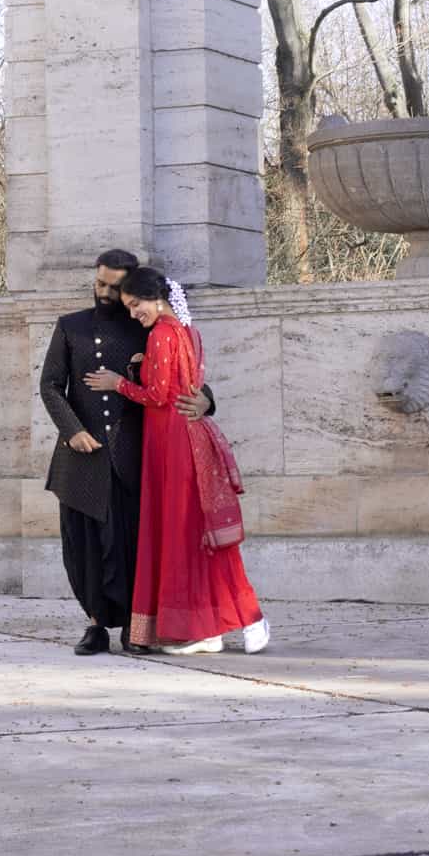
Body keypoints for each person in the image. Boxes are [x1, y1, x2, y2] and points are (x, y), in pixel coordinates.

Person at [85, 265, 268, 655]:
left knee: (181, 535)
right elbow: (179, 385)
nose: (135, 314)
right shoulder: (187, 332)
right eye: (130, 308)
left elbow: (159, 395)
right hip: (181, 439)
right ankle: (208, 629)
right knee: (191, 537)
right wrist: (141, 364)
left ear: (157, 297)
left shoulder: (163, 335)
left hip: (172, 443)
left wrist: (118, 382)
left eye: (137, 305)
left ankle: (222, 624)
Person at [39, 250, 214, 656]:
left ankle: (136, 628)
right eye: (99, 283)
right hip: (81, 458)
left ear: (131, 290)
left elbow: (185, 377)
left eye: (113, 288)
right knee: (82, 547)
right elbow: (50, 385)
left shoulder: (148, 328)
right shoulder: (71, 327)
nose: (103, 292)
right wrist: (73, 430)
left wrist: (206, 400)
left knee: (133, 545)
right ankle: (96, 625)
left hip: (136, 456)